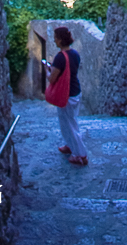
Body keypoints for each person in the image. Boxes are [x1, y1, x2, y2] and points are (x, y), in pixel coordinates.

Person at [45, 25, 88, 166]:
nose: (54, 40)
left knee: (70, 125)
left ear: (60, 40)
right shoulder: (75, 54)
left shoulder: (60, 57)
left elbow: (52, 79)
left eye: (55, 38)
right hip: (75, 91)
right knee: (67, 122)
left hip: (66, 95)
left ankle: (80, 155)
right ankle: (70, 145)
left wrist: (47, 71)